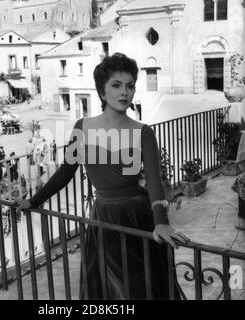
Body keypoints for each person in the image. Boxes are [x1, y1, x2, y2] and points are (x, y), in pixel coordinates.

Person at [15, 53, 189, 300]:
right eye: (116, 85)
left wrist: (160, 221)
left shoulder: (143, 132)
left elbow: (154, 181)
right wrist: (33, 201)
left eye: (130, 86)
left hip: (138, 216)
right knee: (111, 289)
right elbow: (66, 171)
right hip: (104, 218)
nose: (124, 92)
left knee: (142, 288)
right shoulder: (82, 127)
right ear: (102, 91)